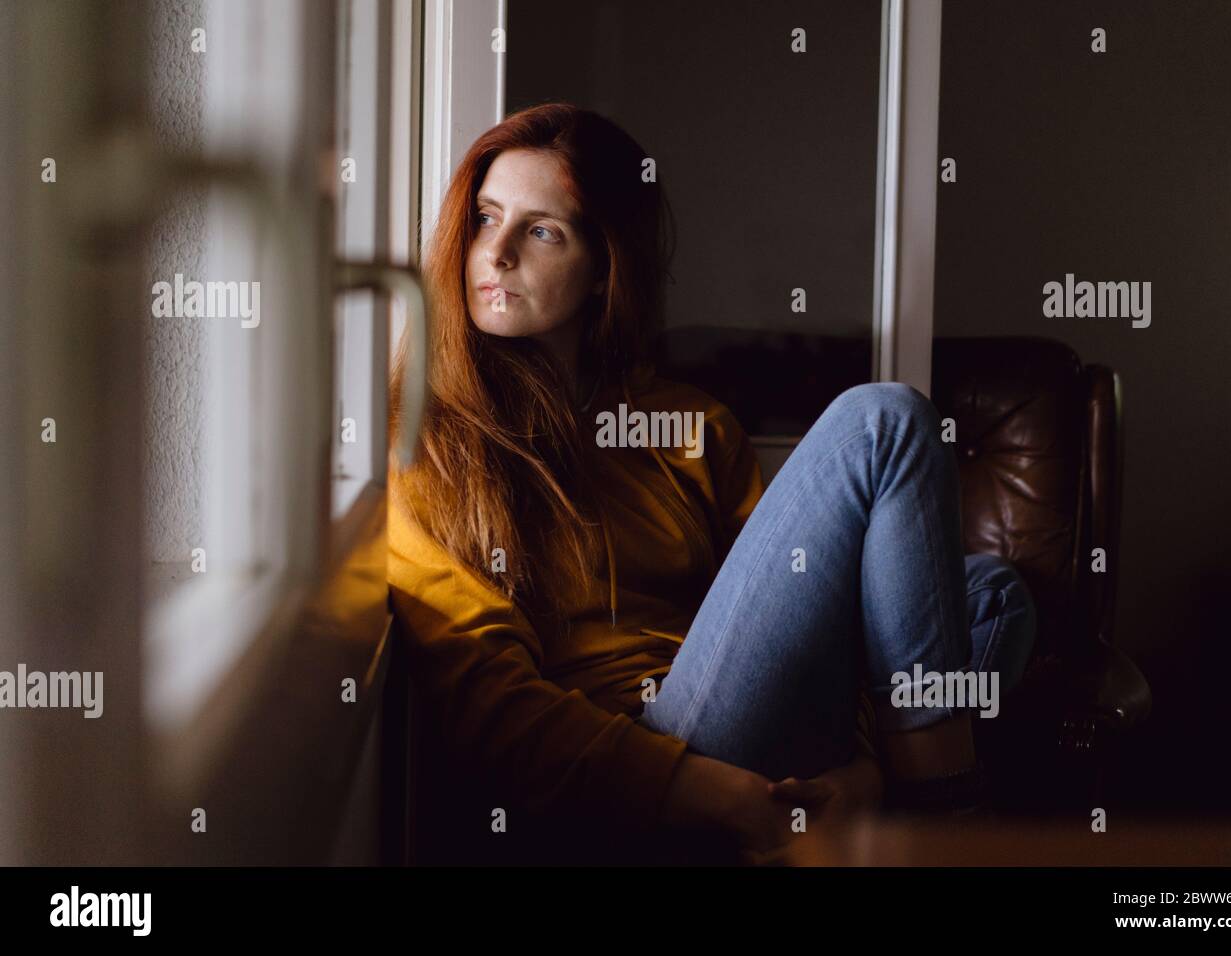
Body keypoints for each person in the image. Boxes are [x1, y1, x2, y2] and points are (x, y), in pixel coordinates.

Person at [386, 102, 1037, 865]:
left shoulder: (688, 426)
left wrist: (858, 766)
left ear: (603, 269)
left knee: (993, 593)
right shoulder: (426, 441)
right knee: (882, 422)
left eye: (540, 231)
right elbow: (488, 702)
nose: (492, 255)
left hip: (743, 716)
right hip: (643, 765)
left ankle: (863, 793)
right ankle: (943, 819)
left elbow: (809, 624)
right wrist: (717, 794)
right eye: (486, 218)